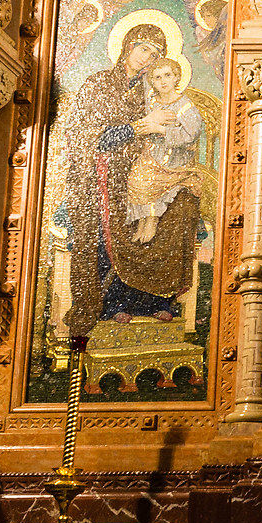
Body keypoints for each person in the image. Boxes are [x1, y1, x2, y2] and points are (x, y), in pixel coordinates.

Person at [58, 18, 204, 335]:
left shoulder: (149, 92)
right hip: (99, 174)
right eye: (142, 48)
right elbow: (83, 136)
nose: (146, 57)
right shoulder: (98, 83)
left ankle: (154, 300)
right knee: (113, 218)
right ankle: (113, 302)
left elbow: (180, 131)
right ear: (127, 46)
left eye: (154, 54)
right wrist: (139, 127)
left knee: (181, 208)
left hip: (143, 170)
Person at [124, 58, 203, 244]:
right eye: (157, 77)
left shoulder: (184, 105)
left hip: (175, 160)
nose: (163, 81)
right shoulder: (152, 102)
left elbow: (191, 134)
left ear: (176, 77)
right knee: (136, 177)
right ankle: (142, 221)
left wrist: (161, 129)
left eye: (167, 75)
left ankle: (152, 220)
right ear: (152, 81)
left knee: (150, 180)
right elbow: (142, 127)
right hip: (152, 154)